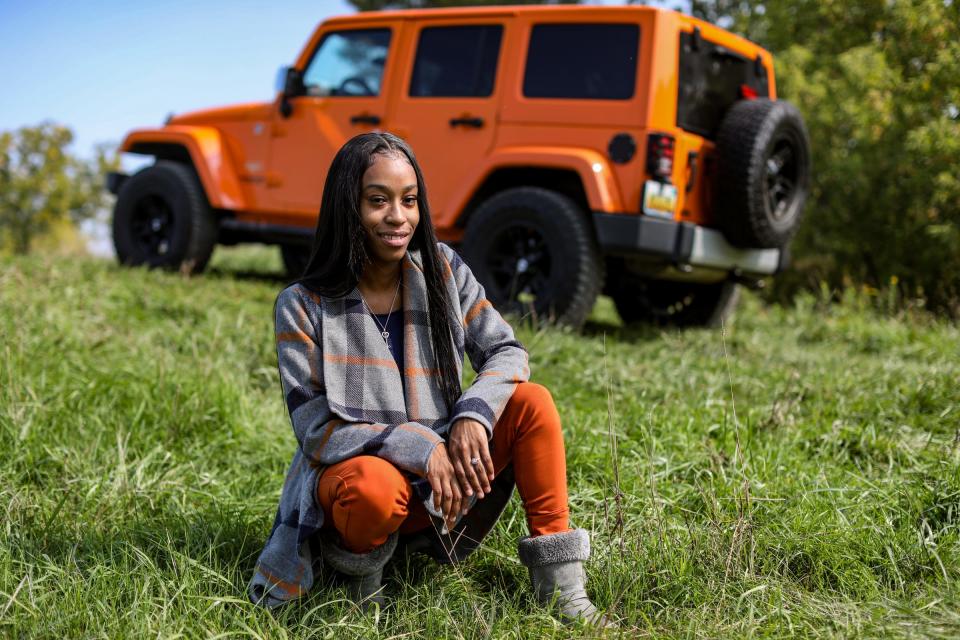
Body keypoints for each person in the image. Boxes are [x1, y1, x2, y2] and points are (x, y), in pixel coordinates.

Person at [248, 132, 612, 627]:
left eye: (410, 200)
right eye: (378, 201)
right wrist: (420, 446)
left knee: (533, 403)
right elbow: (315, 430)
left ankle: (561, 590)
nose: (398, 217)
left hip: (447, 486)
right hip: (362, 491)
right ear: (345, 207)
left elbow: (506, 351)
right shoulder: (302, 305)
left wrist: (473, 416)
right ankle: (362, 591)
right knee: (372, 487)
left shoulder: (441, 268)